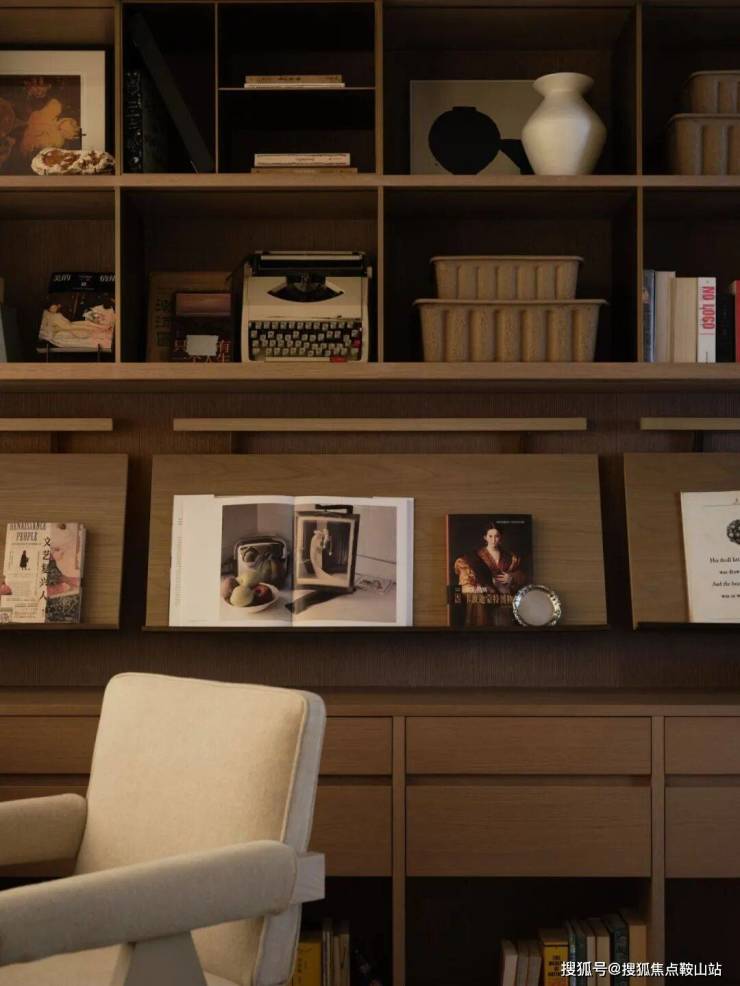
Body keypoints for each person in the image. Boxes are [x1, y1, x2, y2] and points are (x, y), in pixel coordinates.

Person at [454, 523, 528, 627]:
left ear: (500, 537)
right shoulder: (473, 558)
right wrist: (483, 588)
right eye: (490, 536)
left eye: (497, 536)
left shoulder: (511, 557)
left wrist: (511, 578)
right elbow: (465, 586)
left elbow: (522, 577)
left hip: (504, 599)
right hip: (482, 602)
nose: (493, 540)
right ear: (485, 537)